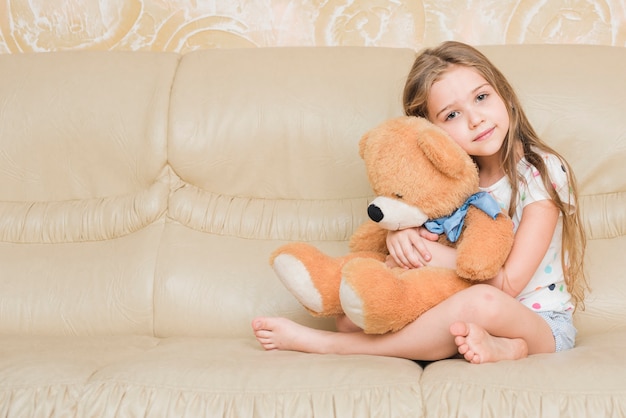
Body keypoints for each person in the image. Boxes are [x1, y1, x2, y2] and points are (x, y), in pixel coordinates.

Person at [252, 41, 588, 364]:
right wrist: (399, 237)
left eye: (482, 97)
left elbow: (508, 285)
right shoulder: (450, 178)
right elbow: (420, 224)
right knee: (353, 317)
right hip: (458, 305)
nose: (475, 119)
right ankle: (503, 348)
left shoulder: (541, 172)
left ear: (506, 97)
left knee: (481, 301)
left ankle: (330, 346)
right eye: (452, 114)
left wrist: (428, 257)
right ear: (432, 133)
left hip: (541, 322)